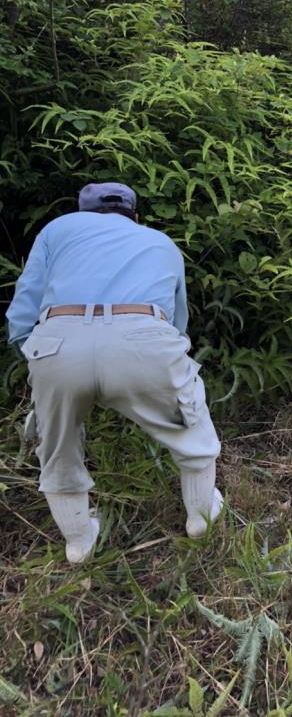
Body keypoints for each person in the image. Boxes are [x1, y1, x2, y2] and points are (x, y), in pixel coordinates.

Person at [6, 182, 223, 563]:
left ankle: (79, 542)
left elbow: (26, 302)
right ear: (134, 217)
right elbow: (177, 319)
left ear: (83, 212)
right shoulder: (161, 242)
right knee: (193, 432)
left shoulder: (58, 230)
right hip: (143, 335)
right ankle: (200, 520)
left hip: (58, 339)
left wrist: (34, 354)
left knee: (57, 450)